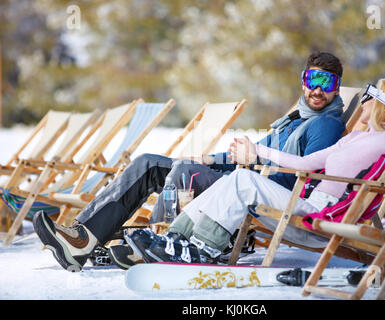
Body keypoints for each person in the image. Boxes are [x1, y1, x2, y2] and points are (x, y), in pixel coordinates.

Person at [32, 51, 347, 272]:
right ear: (302, 81)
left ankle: (163, 241)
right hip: (242, 179)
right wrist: (210, 158)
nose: (318, 89)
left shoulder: (326, 124)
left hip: (261, 193)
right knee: (149, 163)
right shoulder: (291, 121)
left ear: (336, 89)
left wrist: (250, 159)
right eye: (313, 79)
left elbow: (299, 173)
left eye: (328, 83)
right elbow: (254, 154)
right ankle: (83, 238)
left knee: (183, 172)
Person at [121, 67, 385, 265]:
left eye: (371, 95)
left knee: (243, 182)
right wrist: (258, 151)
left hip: (320, 217)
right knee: (239, 178)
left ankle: (203, 248)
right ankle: (178, 239)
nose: (365, 101)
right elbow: (302, 163)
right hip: (306, 204)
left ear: (381, 104)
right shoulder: (353, 139)